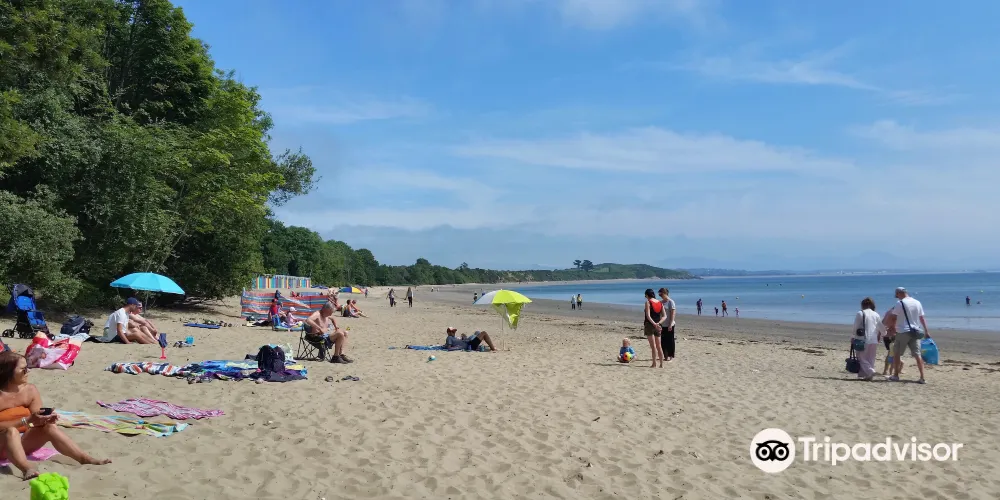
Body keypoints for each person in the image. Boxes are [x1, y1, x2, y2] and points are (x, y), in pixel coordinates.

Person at [0, 351, 111, 479]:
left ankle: (84, 458)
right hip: (2, 442)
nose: (28, 371)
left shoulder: (29, 390)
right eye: (23, 369)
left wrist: (45, 419)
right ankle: (27, 469)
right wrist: (25, 420)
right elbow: (25, 422)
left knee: (49, 427)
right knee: (11, 432)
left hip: (23, 441)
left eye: (28, 367)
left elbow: (35, 420)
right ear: (8, 372)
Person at [883, 287, 930, 384]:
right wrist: (926, 331)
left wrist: (893, 328)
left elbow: (894, 317)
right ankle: (922, 377)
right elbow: (922, 318)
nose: (897, 297)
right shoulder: (917, 302)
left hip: (902, 331)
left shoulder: (900, 303)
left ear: (898, 293)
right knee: (917, 354)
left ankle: (896, 375)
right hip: (915, 331)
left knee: (897, 353)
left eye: (897, 295)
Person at [853, 297, 885, 381]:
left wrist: (853, 337)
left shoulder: (860, 313)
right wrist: (884, 333)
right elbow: (881, 327)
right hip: (874, 340)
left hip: (863, 339)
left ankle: (870, 371)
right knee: (871, 358)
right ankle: (868, 375)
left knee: (861, 357)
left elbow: (855, 327)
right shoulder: (876, 314)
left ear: (863, 305)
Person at [643, 289, 664, 368]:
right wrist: (659, 323)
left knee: (653, 346)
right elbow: (664, 316)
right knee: (659, 346)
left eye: (645, 296)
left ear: (647, 295)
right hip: (658, 325)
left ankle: (654, 363)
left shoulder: (648, 302)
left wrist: (654, 324)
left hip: (650, 325)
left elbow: (648, 316)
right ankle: (661, 364)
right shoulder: (660, 303)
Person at [657, 288, 677, 362]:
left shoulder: (671, 302)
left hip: (669, 324)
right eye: (659, 294)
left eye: (661, 294)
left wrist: (670, 324)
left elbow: (673, 313)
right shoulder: (660, 302)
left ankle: (671, 356)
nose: (660, 295)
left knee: (670, 341)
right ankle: (665, 356)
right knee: (663, 341)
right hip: (662, 324)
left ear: (665, 293)